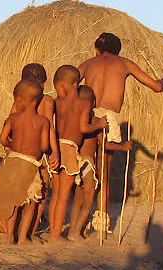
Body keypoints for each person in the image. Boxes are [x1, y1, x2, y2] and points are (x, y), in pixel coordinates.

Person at [78, 32, 163, 232]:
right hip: (109, 119)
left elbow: (68, 83)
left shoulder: (89, 63)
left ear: (97, 49)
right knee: (104, 172)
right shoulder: (124, 63)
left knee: (84, 168)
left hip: (87, 117)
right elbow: (156, 86)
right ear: (118, 50)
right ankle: (101, 222)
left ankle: (79, 221)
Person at [48, 67, 107, 243]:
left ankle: (52, 231)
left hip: (56, 148)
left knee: (56, 195)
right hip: (69, 149)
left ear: (66, 84)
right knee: (63, 197)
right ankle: (56, 236)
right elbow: (83, 128)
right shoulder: (83, 104)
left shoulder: (56, 103)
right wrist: (100, 125)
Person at [67, 86, 133, 241]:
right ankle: (74, 232)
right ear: (93, 103)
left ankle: (74, 228)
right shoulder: (96, 122)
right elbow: (104, 145)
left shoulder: (72, 120)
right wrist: (123, 146)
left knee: (78, 198)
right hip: (87, 163)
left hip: (73, 161)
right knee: (89, 199)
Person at [0, 79, 49, 244]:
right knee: (31, 202)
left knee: (13, 201)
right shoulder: (43, 121)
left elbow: (3, 139)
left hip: (13, 162)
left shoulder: (13, 118)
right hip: (31, 164)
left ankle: (10, 236)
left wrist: (13, 145)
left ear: (19, 100)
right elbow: (45, 146)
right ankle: (23, 237)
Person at [7, 63, 59, 238]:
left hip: (17, 155)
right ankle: (28, 233)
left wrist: (10, 146)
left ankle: (14, 234)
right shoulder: (46, 101)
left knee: (16, 195)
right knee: (40, 194)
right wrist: (54, 152)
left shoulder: (19, 100)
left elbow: (9, 124)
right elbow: (50, 127)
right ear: (44, 83)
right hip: (38, 156)